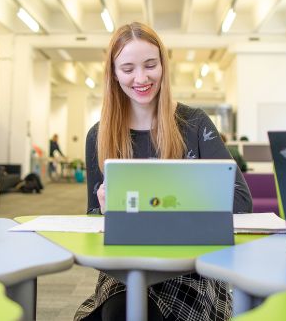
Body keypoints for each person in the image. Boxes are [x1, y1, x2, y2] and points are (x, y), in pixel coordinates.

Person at [76, 22, 252, 321]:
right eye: (128, 68)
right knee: (118, 313)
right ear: (114, 74)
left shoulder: (194, 123)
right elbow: (93, 216)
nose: (141, 78)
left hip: (190, 264)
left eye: (150, 65)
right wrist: (105, 212)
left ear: (163, 66)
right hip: (125, 265)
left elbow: (240, 201)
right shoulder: (99, 135)